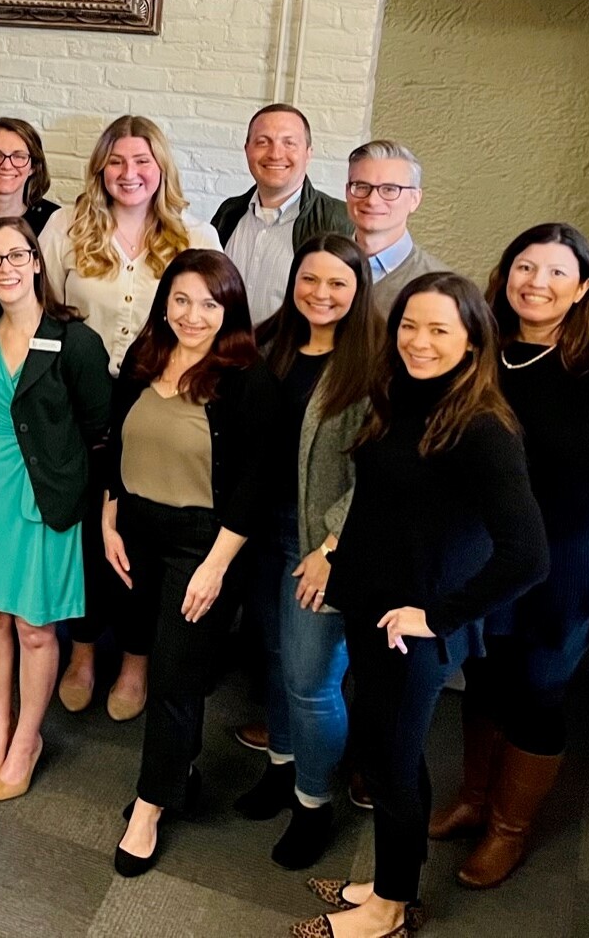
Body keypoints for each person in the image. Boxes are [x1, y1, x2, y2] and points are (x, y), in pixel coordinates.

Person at [299, 272, 547, 938]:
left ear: (472, 341)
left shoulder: (484, 426)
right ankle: (390, 885)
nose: (419, 340)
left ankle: (387, 910)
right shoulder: (402, 393)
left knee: (390, 761)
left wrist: (438, 616)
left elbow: (528, 553)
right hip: (371, 604)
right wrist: (336, 559)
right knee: (389, 754)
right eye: (410, 324)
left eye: (440, 328)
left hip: (414, 628)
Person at [429, 225, 589, 888]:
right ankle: (475, 799)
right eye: (524, 266)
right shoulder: (480, 353)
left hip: (564, 557)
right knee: (483, 676)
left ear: (584, 288)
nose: (536, 281)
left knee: (538, 691)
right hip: (489, 554)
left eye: (556, 272)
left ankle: (509, 830)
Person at [39, 115, 221, 722]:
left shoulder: (194, 232)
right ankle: (83, 653)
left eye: (142, 161)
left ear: (161, 168)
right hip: (79, 404)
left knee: (142, 535)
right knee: (88, 532)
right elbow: (39, 312)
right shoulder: (65, 226)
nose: (129, 173)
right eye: (116, 161)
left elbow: (215, 320)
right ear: (99, 168)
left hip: (158, 404)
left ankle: (136, 662)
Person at [105, 249, 259, 876]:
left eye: (209, 304)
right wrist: (109, 517)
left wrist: (216, 565)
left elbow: (252, 486)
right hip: (135, 528)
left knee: (174, 673)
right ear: (164, 301)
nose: (193, 316)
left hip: (202, 545)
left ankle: (150, 806)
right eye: (182, 300)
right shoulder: (143, 361)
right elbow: (116, 441)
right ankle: (179, 769)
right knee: (146, 645)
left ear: (230, 310)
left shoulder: (246, 378)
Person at [0, 216, 111, 802]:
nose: (6, 268)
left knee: (34, 627)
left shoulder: (76, 342)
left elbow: (100, 431)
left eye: (17, 255)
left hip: (45, 494)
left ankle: (28, 739)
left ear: (38, 261)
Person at [232, 236, 380, 870]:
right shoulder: (269, 346)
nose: (321, 294)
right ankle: (283, 766)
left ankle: (313, 804)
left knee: (312, 682)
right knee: (272, 662)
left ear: (358, 291)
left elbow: (377, 470)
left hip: (317, 543)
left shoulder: (374, 364)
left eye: (338, 284)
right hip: (258, 536)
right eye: (309, 280)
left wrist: (330, 546)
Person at [212, 105, 354, 323]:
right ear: (247, 150)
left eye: (289, 143)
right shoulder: (228, 214)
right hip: (223, 354)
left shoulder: (339, 220)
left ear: (308, 153)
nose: (275, 154)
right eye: (263, 142)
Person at [344, 139, 447, 315]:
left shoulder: (439, 285)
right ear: (347, 192)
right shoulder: (319, 267)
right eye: (362, 186)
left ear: (415, 199)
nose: (372, 201)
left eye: (390, 189)